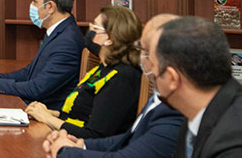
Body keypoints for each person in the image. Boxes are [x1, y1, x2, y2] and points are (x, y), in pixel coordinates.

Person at [44, 13, 184, 158]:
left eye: (144, 49)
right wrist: (81, 145)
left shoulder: (175, 111)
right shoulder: (160, 98)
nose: (139, 54)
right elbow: (129, 138)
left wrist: (65, 151)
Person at [26, 6, 143, 139]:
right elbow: (80, 115)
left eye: (95, 28)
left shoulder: (122, 78)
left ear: (110, 40)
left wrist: (48, 119)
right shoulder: (103, 68)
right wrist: (49, 113)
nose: (89, 31)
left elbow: (94, 134)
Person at [0, 0, 83, 109]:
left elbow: (38, 89)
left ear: (50, 7)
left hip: (46, 112)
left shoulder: (67, 42)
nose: (31, 5)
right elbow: (29, 73)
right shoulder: (58, 31)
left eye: (34, 1)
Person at [155, 16, 242, 158]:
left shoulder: (233, 143)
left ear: (172, 78)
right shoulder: (195, 114)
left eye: (153, 66)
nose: (151, 73)